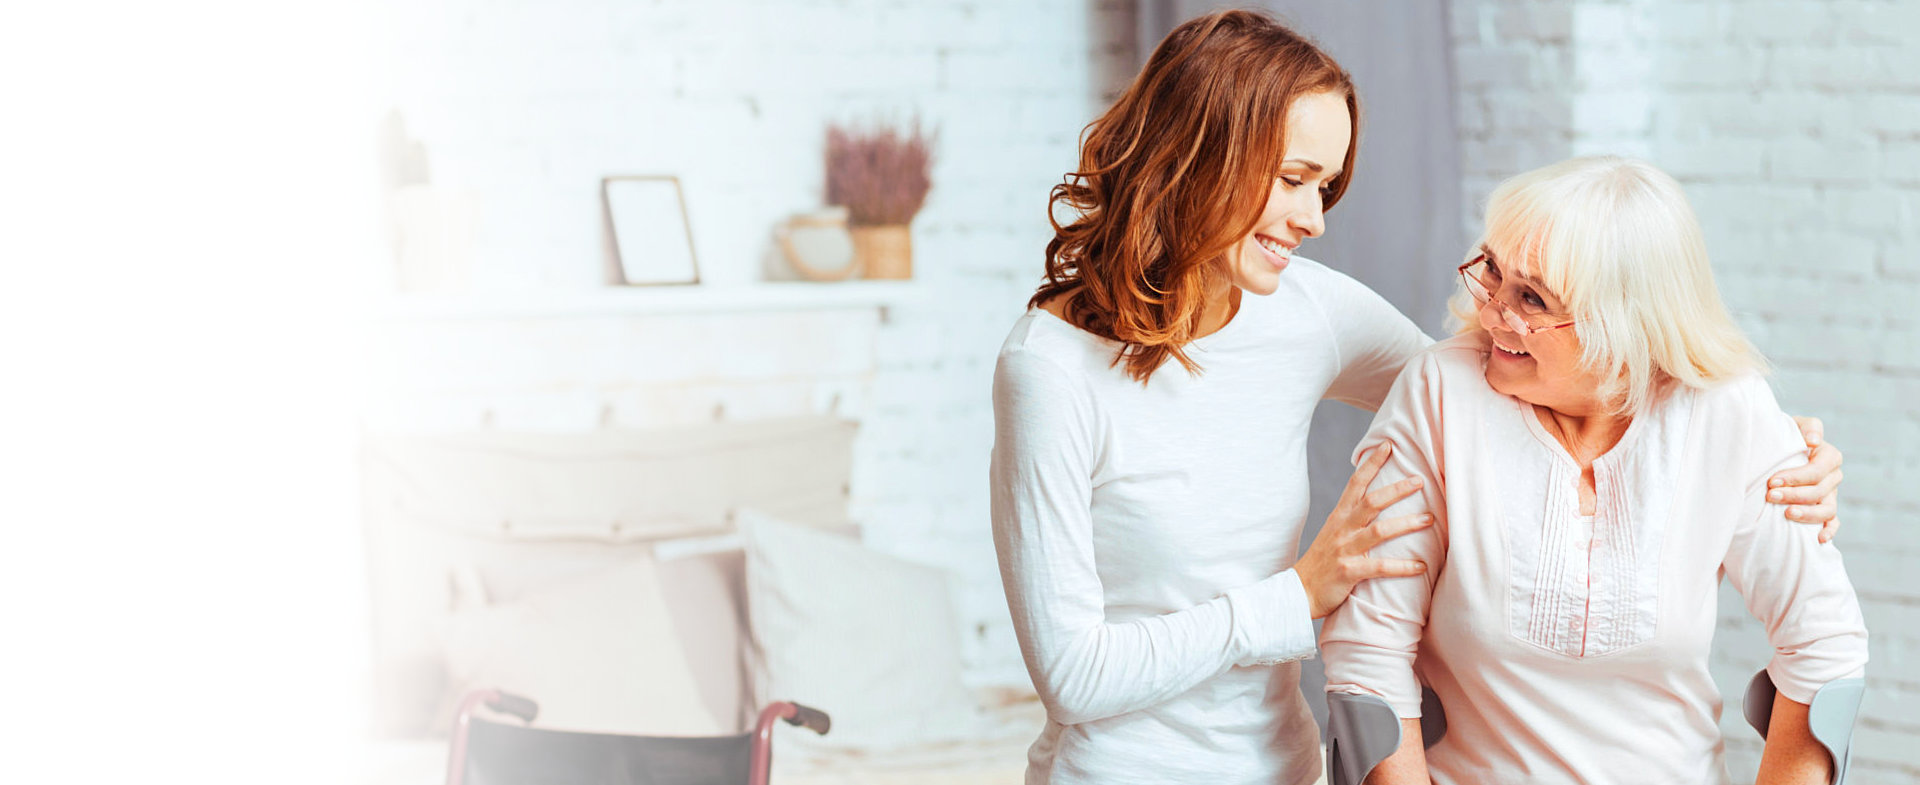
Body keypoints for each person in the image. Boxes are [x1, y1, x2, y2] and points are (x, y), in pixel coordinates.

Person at [989, 10, 1843, 785]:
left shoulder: (1304, 310)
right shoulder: (1050, 372)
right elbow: (1075, 678)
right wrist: (1302, 592)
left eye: (1325, 186)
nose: (1315, 219)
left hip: (1280, 767)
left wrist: (1762, 446)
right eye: (1292, 177)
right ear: (1199, 153)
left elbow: (1486, 384)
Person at [1319, 156, 1869, 785]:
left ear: (1625, 325)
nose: (1495, 311)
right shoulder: (1442, 392)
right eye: (1494, 274)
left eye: (1533, 298)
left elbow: (1823, 646)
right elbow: (1369, 653)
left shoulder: (1727, 413)